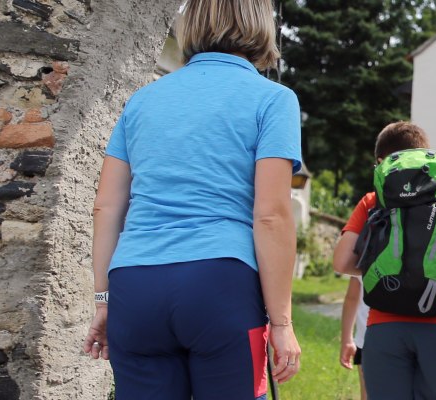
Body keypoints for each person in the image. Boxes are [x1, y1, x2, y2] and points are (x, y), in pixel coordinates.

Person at [81, 0, 302, 397]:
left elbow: (107, 207)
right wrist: (282, 325)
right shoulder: (273, 99)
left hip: (135, 286)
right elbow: (270, 215)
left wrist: (103, 301)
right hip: (221, 284)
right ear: (260, 24)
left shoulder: (141, 101)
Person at [331, 121, 436, 399]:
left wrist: (380, 266)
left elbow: (341, 263)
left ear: (381, 162)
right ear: (425, 157)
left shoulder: (372, 202)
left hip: (383, 324)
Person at [338, 276, 370, 399]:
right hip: (417, 337)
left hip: (367, 339)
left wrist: (346, 339)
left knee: (369, 393)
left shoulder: (365, 256)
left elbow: (352, 298)